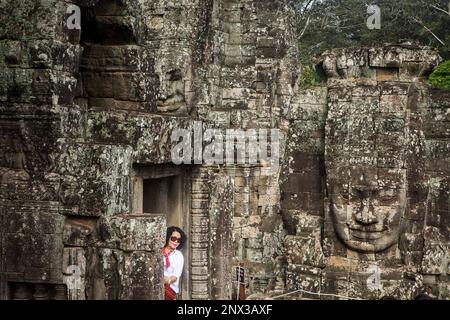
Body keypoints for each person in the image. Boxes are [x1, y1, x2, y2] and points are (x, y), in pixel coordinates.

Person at [162, 226, 186, 300]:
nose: (176, 242)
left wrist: (165, 280)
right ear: (167, 237)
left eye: (178, 240)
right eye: (173, 238)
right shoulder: (158, 251)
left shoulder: (178, 255)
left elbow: (175, 277)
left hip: (169, 292)